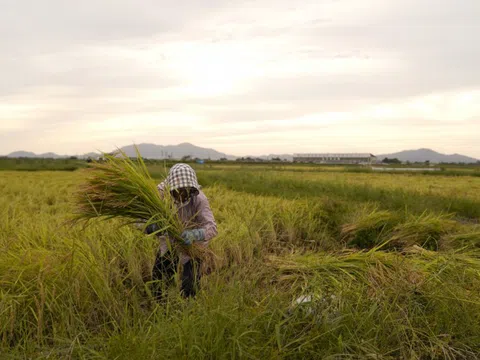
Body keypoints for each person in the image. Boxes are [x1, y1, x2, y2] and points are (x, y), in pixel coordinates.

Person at [145, 163, 217, 300]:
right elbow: (142, 221)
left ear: (191, 189)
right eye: (176, 191)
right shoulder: (161, 196)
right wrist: (153, 227)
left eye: (184, 192)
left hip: (193, 244)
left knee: (190, 283)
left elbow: (212, 227)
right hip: (169, 240)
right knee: (159, 279)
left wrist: (195, 234)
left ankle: (188, 307)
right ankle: (160, 305)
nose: (180, 195)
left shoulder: (199, 199)